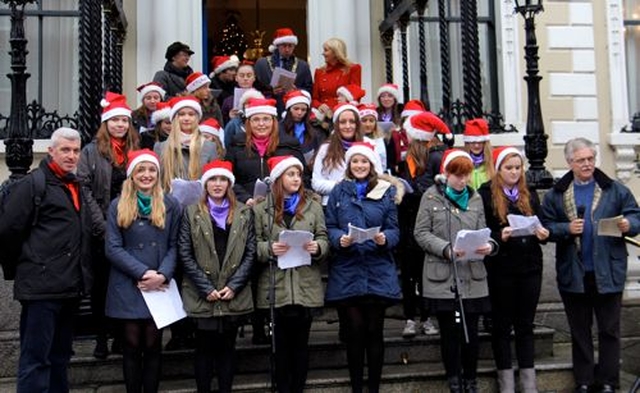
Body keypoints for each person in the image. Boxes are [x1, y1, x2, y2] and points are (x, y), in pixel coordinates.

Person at [541, 137, 640, 393]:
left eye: (590, 159)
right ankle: (584, 381)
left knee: (609, 330)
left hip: (609, 269)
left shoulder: (615, 189)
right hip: (573, 272)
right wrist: (566, 228)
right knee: (580, 331)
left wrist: (629, 225)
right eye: (581, 160)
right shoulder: (557, 194)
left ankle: (608, 381)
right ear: (569, 162)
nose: (587, 164)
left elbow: (635, 215)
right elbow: (545, 227)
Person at [0, 127, 92, 393]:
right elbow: (8, 231)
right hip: (41, 290)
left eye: (75, 151)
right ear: (51, 151)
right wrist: (29, 266)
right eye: (65, 149)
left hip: (69, 287)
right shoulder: (32, 184)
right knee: (36, 360)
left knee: (60, 358)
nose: (71, 156)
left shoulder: (75, 185)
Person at [413, 149, 497, 393]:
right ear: (446, 174)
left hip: (472, 274)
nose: (462, 180)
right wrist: (446, 249)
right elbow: (421, 233)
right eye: (457, 175)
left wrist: (488, 246)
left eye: (466, 175)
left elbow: (484, 230)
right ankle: (454, 380)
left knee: (471, 331)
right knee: (450, 332)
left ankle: (471, 379)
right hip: (443, 275)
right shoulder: (431, 197)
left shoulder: (475, 198)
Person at [324, 142, 402, 393]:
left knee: (374, 331)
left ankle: (374, 388)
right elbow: (330, 225)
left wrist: (385, 239)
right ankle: (357, 386)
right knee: (355, 332)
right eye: (355, 161)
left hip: (377, 267)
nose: (359, 166)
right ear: (349, 165)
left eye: (364, 162)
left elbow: (394, 229)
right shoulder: (339, 191)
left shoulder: (386, 191)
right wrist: (339, 239)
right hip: (348, 267)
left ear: (371, 165)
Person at [105, 149, 181, 393]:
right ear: (132, 175)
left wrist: (162, 275)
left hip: (159, 283)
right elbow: (113, 247)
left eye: (151, 170)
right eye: (141, 170)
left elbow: (175, 244)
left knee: (153, 344)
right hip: (129, 283)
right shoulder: (118, 205)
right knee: (130, 344)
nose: (147, 175)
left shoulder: (171, 204)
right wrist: (142, 273)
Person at [179, 160, 256, 393]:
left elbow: (250, 252)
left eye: (223, 179)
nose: (217, 184)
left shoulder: (243, 212)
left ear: (229, 184)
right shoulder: (191, 213)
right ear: (205, 184)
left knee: (227, 348)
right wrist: (205, 287)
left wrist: (234, 285)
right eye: (213, 179)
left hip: (232, 292)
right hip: (203, 292)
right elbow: (185, 252)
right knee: (203, 348)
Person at [253, 155, 329, 393]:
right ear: (278, 179)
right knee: (280, 347)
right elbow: (253, 245)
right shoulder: (261, 209)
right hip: (276, 287)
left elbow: (324, 237)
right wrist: (269, 249)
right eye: (291, 174)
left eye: (298, 175)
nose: (297, 179)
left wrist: (318, 247)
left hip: (305, 284)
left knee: (300, 346)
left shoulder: (313, 206)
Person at [477, 146, 549, 393]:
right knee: (502, 324)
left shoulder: (528, 193)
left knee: (525, 325)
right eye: (509, 168)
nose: (514, 172)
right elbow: (482, 230)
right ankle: (506, 383)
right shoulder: (486, 193)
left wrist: (543, 233)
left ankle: (529, 384)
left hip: (530, 266)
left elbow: (541, 221)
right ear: (499, 169)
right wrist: (501, 234)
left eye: (518, 168)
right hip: (502, 268)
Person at [78, 91, 139, 359]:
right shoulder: (91, 151)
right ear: (106, 123)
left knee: (125, 283)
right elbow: (84, 189)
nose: (120, 125)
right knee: (101, 284)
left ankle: (120, 336)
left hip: (131, 226)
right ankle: (101, 337)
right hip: (100, 227)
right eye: (115, 121)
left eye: (124, 121)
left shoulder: (135, 149)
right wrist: (101, 225)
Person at [395, 111, 454, 339]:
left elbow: (431, 189)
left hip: (426, 224)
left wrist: (410, 191)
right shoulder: (410, 160)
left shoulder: (436, 157)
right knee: (411, 274)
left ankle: (425, 317)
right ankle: (413, 317)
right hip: (410, 223)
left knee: (425, 274)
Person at [224, 97, 307, 206]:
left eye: (266, 119)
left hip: (281, 205)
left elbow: (303, 177)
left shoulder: (289, 145)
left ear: (274, 122)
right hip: (246, 205)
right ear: (248, 123)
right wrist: (245, 198)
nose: (261, 124)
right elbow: (228, 178)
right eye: (256, 119)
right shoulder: (237, 145)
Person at [311, 103, 383, 206]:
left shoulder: (370, 144)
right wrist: (340, 186)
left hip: (364, 204)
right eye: (343, 122)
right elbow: (316, 183)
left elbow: (378, 176)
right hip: (333, 205)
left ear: (357, 124)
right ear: (336, 125)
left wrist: (360, 187)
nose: (348, 126)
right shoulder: (326, 148)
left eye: (352, 122)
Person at [155, 96, 218, 192]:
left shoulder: (209, 147)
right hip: (170, 202)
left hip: (199, 203)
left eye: (191, 114)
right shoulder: (160, 147)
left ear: (197, 118)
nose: (186, 118)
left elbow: (213, 179)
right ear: (174, 118)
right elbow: (158, 180)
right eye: (181, 114)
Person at [255, 27, 313, 113]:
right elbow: (255, 88)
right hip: (268, 108)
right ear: (277, 46)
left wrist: (297, 91)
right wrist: (271, 91)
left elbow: (309, 89)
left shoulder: (302, 65)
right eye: (284, 46)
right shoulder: (262, 64)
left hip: (294, 110)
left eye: (290, 46)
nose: (287, 49)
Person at [311, 38, 361, 122]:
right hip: (324, 117)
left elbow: (356, 94)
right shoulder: (319, 72)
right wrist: (320, 105)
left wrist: (347, 99)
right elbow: (314, 98)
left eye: (326, 50)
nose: (323, 53)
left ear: (335, 52)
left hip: (344, 115)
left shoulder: (353, 69)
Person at [279, 89, 323, 165]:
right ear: (289, 109)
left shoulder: (313, 129)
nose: (300, 113)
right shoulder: (279, 128)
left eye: (303, 110)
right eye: (296, 109)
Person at [463, 118, 495, 190]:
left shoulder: (493, 162)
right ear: (468, 143)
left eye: (480, 142)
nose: (476, 145)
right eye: (473, 142)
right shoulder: (461, 162)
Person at [358, 103, 389, 172]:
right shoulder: (354, 139)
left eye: (371, 121)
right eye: (364, 120)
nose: (368, 124)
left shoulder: (383, 140)